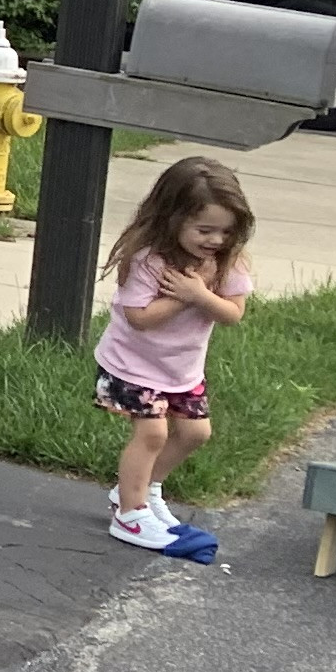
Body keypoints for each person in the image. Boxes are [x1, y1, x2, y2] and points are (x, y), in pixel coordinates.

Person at [95, 155, 250, 559]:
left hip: (181, 370)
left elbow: (232, 314)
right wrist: (184, 299)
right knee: (152, 434)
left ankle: (145, 488)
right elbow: (139, 318)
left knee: (196, 433)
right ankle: (129, 512)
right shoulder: (148, 259)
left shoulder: (227, 262)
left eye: (226, 231)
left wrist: (201, 295)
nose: (215, 240)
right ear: (172, 217)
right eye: (204, 230)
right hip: (133, 365)